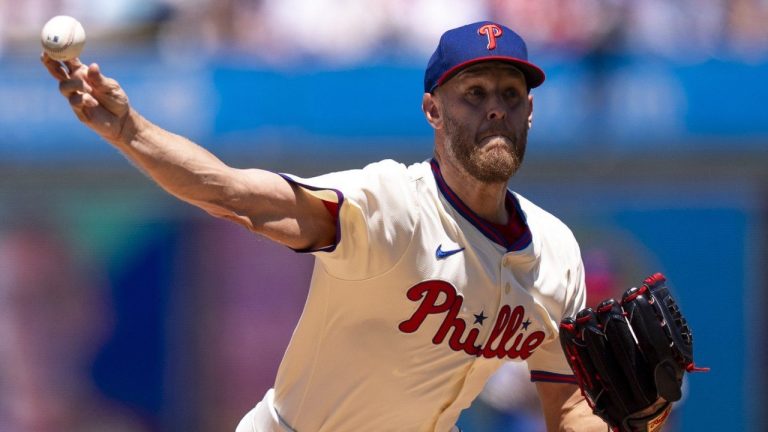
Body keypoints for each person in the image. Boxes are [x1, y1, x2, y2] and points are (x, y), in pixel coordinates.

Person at [43, 21, 610, 431]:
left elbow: (568, 409)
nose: (495, 109)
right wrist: (130, 131)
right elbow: (233, 194)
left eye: (511, 95)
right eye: (474, 93)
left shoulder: (556, 252)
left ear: (530, 113)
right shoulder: (390, 205)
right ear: (432, 111)